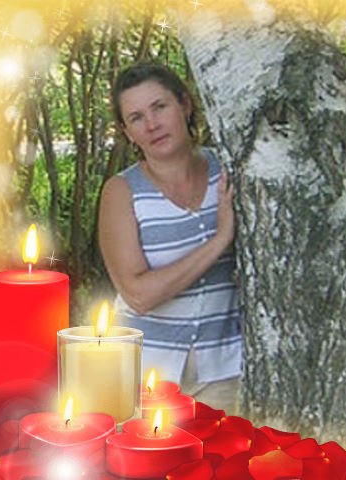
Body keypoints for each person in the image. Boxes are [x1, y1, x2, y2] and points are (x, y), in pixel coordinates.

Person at [98, 62, 242, 414]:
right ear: (127, 132)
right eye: (136, 117)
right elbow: (139, 295)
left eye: (159, 107)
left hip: (224, 371)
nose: (152, 125)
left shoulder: (228, 171)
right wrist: (220, 239)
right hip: (143, 376)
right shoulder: (122, 191)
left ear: (185, 104)